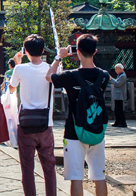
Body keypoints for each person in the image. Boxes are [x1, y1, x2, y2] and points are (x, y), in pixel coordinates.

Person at [46, 34, 110, 196]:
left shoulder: (69, 76)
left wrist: (59, 57)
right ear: (95, 52)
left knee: (76, 178)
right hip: (96, 131)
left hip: (74, 132)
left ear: (77, 51)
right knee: (99, 177)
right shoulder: (104, 76)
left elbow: (48, 76)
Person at [9, 34, 56, 196]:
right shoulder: (51, 68)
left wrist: (18, 65)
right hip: (45, 123)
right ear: (43, 50)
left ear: (25, 50)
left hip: (26, 123)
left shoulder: (20, 69)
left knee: (27, 168)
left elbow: (11, 89)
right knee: (49, 167)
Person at [110, 63, 128, 128]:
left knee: (119, 109)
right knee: (116, 109)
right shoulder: (120, 75)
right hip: (117, 95)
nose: (115, 70)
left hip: (120, 95)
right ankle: (117, 121)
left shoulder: (123, 76)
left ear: (120, 69)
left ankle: (123, 122)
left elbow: (118, 84)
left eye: (116, 69)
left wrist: (111, 79)